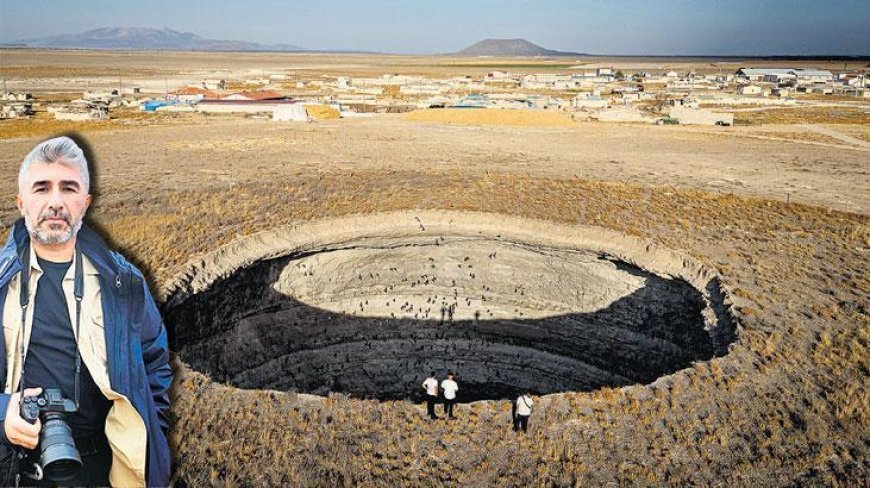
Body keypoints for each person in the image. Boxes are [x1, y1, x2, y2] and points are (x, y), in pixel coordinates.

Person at [0, 136, 172, 487]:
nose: (56, 202)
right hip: (14, 464)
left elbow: (155, 363)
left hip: (102, 468)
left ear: (86, 202)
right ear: (21, 203)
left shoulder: (124, 284)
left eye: (69, 188)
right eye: (41, 188)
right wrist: (3, 413)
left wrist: (149, 433)